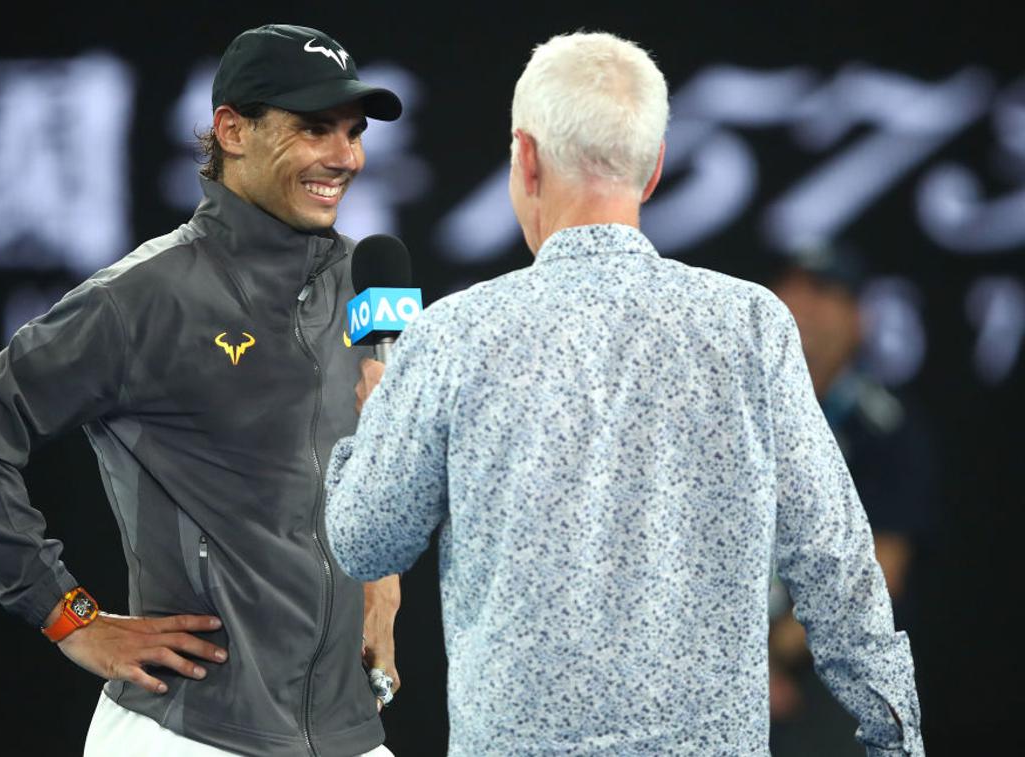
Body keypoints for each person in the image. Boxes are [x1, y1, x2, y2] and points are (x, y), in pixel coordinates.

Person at [324, 31, 924, 756]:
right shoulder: (750, 326)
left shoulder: (455, 335)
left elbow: (365, 539)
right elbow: (837, 565)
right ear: (653, 171)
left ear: (527, 157)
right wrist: (898, 741)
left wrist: (374, 420)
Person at [0, 23, 403, 757]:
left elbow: (380, 449)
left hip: (346, 733)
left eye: (353, 132)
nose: (346, 157)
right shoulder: (143, 297)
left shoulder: (371, 277)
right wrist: (69, 614)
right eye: (314, 129)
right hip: (189, 733)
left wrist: (383, 577)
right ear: (232, 131)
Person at [766, 245, 937, 755]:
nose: (802, 305)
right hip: (715, 663)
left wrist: (773, 654)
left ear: (858, 318)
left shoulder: (884, 427)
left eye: (824, 291)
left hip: (827, 675)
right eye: (791, 286)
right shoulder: (728, 410)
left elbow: (883, 569)